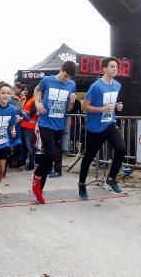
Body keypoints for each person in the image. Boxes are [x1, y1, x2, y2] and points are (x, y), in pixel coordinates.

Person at [31, 61, 78, 203]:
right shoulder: (47, 80)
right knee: (51, 154)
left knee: (49, 157)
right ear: (60, 69)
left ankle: (39, 189)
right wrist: (37, 103)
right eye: (65, 76)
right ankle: (37, 177)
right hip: (45, 123)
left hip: (59, 125)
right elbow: (37, 90)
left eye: (69, 77)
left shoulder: (72, 85)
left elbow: (68, 109)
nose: (66, 79)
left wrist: (71, 102)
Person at [78, 57, 126, 197]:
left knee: (121, 148)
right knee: (89, 157)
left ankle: (111, 179)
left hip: (110, 123)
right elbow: (84, 106)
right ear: (104, 69)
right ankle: (81, 184)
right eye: (112, 66)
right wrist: (102, 109)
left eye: (116, 66)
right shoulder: (96, 86)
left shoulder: (117, 85)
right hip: (95, 127)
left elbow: (110, 103)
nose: (115, 68)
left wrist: (117, 106)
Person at [20, 86, 39, 171]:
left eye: (26, 89)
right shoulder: (26, 99)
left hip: (29, 126)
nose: (24, 91)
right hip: (24, 125)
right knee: (24, 145)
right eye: (24, 89)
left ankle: (31, 164)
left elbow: (33, 113)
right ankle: (23, 161)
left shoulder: (33, 100)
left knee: (29, 146)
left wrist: (23, 114)